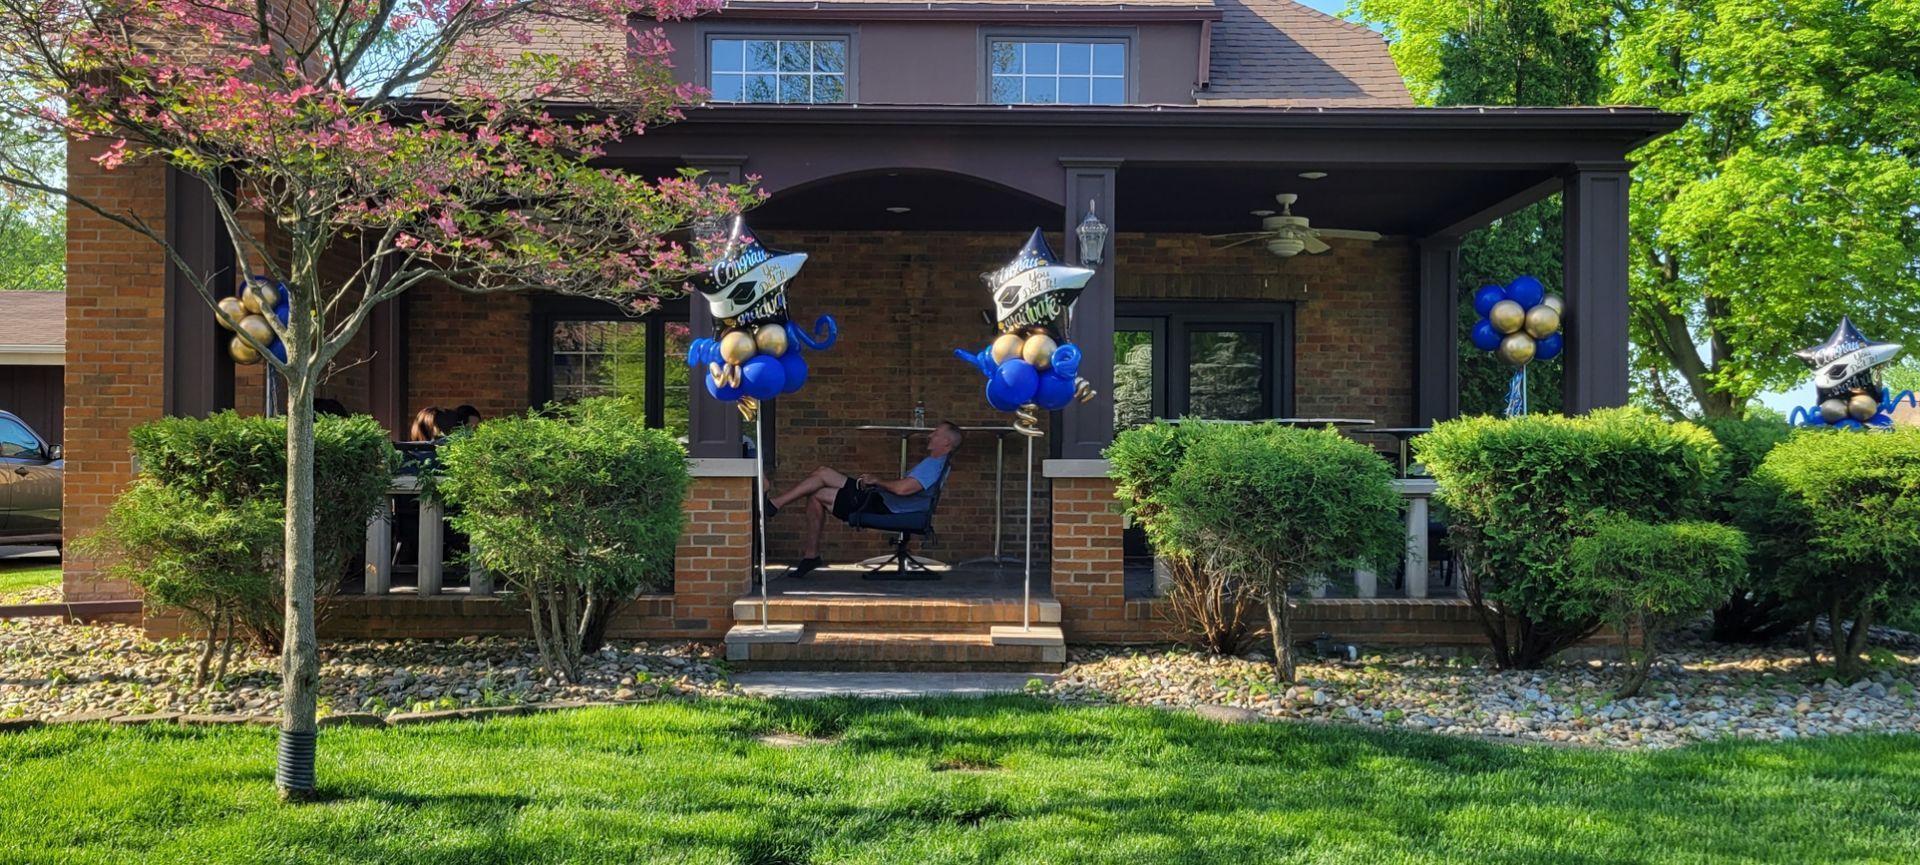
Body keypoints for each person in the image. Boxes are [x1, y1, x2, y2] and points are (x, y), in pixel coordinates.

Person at [766, 421, 962, 578]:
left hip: (884, 506)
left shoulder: (933, 466)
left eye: (935, 433)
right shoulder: (934, 463)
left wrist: (878, 481)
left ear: (946, 443)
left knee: (818, 495)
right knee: (823, 473)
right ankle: (775, 505)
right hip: (881, 498)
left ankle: (809, 554)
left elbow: (903, 489)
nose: (930, 435)